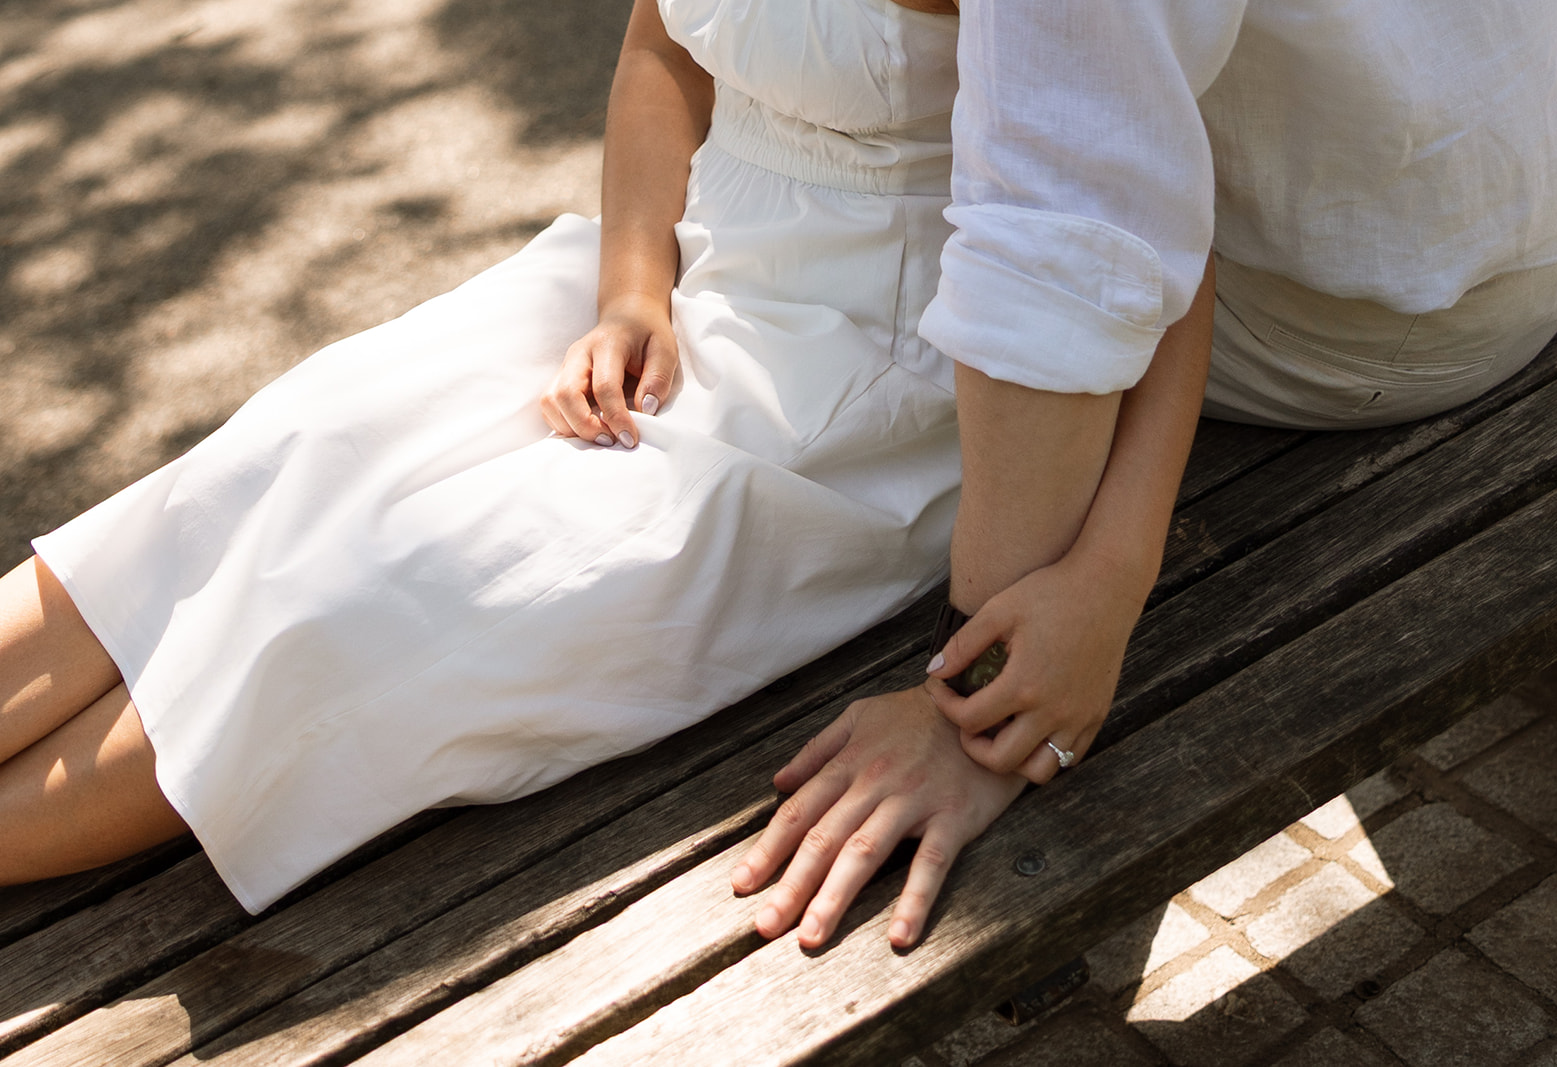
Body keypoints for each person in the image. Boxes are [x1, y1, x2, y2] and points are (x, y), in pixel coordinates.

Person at [0, 0, 1211, 941]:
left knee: (366, 608)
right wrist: (634, 288)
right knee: (282, 452)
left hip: (868, 382)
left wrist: (1111, 572)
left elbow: (1156, 246)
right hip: (683, 266)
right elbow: (665, 42)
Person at [732, 0, 1557, 952]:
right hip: (1554, 162)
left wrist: (980, 693)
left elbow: (1069, 242)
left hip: (1373, 303)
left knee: (991, 226)